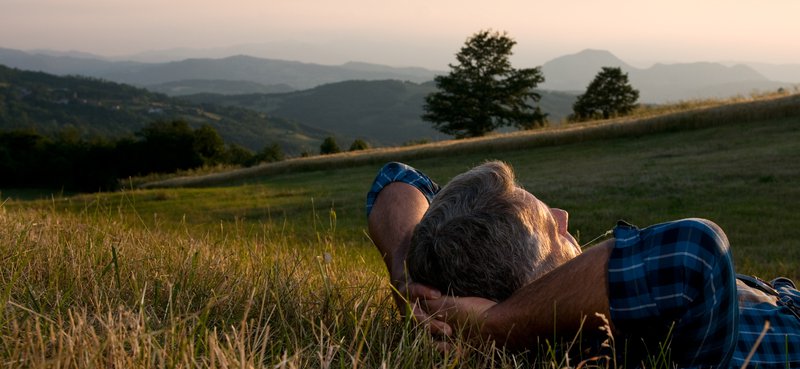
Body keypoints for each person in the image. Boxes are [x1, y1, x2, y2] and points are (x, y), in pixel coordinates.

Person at [366, 161, 800, 368]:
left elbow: (397, 178)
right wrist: (497, 323)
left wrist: (411, 279)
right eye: (551, 232)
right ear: (531, 287)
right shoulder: (624, 346)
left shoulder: (487, 271)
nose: (564, 218)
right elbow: (695, 251)